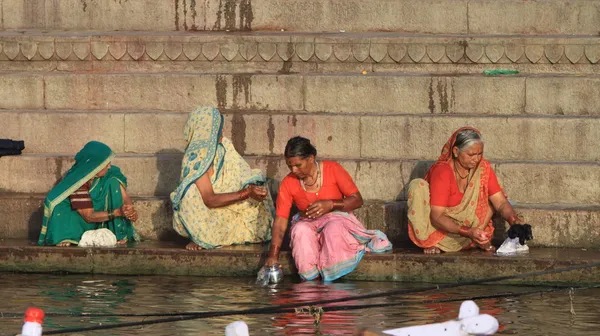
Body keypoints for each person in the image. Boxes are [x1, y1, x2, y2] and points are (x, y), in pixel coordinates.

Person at [264, 137, 392, 282]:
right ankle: (310, 283)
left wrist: (331, 204)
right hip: (307, 223)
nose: (294, 170)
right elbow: (281, 220)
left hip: (336, 220)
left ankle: (332, 280)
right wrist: (273, 255)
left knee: (333, 229)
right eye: (290, 166)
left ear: (311, 158)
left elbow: (357, 200)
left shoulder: (333, 169)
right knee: (300, 231)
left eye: (298, 165)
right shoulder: (288, 183)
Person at [407, 127, 527, 254]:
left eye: (479, 154)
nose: (476, 159)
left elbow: (501, 202)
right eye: (471, 154)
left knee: (490, 183)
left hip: (473, 229)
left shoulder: (482, 168)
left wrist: (513, 220)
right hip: (442, 230)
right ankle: (434, 242)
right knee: (417, 186)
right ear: (456, 151)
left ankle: (476, 238)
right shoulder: (443, 171)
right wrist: (467, 232)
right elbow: (437, 216)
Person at [170, 106, 273, 250]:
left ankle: (214, 236)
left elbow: (242, 175)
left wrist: (253, 189)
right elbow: (210, 199)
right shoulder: (196, 159)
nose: (221, 134)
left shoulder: (224, 148)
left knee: (257, 181)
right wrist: (246, 193)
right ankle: (200, 236)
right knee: (190, 193)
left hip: (230, 210)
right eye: (217, 129)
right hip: (208, 215)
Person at [37, 141, 138, 246]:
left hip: (101, 216)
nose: (109, 167)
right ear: (95, 166)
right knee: (65, 215)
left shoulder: (110, 175)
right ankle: (67, 236)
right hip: (80, 219)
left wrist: (129, 210)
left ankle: (118, 233)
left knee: (112, 182)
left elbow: (125, 197)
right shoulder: (78, 182)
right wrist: (118, 212)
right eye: (106, 163)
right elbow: (88, 216)